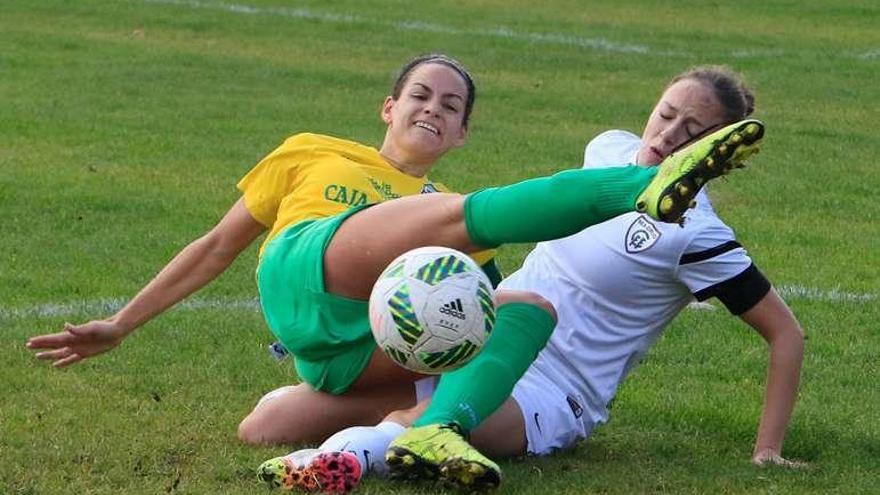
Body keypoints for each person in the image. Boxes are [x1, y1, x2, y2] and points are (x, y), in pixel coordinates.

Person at [28, 52, 761, 491]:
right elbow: (217, 246)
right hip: (307, 274)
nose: (433, 109)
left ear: (465, 132)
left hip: (346, 354)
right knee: (461, 218)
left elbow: (461, 336)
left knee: (269, 421)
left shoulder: (448, 231)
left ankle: (362, 455)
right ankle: (640, 188)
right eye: (420, 95)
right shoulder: (316, 153)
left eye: (452, 106)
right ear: (388, 105)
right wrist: (121, 323)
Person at [255, 66, 795, 494]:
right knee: (267, 423)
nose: (669, 134)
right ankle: (400, 435)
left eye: (692, 132)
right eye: (666, 115)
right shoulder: (608, 150)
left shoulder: (700, 236)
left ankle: (344, 461)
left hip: (555, 390)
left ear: (722, 152)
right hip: (478, 333)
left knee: (414, 421)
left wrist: (766, 450)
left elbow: (786, 336)